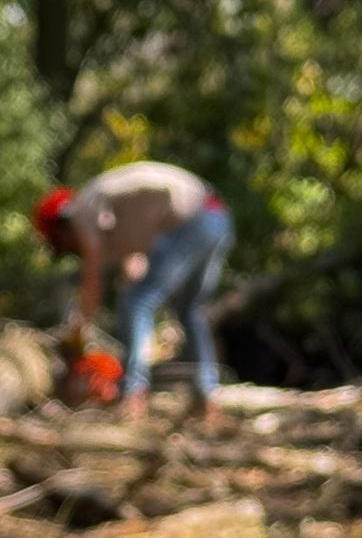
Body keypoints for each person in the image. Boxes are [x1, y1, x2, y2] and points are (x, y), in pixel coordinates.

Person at [32, 161, 233, 420]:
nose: (72, 248)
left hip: (194, 219)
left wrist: (80, 328)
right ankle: (206, 397)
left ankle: (133, 394)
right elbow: (133, 263)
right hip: (216, 217)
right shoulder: (113, 215)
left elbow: (93, 277)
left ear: (62, 225)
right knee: (188, 310)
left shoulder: (83, 208)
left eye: (63, 242)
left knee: (137, 301)